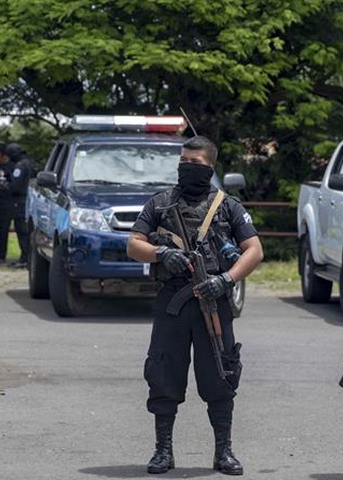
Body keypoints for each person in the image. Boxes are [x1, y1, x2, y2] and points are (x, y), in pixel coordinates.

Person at [126, 135, 263, 476]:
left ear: (210, 167)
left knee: (221, 373)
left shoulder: (228, 206)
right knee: (163, 374)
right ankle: (162, 451)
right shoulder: (159, 204)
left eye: (196, 164)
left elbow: (255, 250)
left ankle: (223, 452)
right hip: (172, 302)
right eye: (184, 162)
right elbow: (133, 244)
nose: (188, 168)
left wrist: (226, 280)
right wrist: (161, 253)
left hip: (214, 302)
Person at [6, 142, 34, 268]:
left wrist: (7, 185)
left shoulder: (20, 166)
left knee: (22, 229)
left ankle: (25, 258)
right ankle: (28, 258)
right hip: (28, 200)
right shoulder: (29, 163)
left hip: (20, 201)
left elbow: (15, 186)